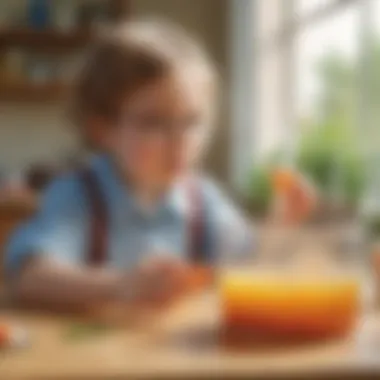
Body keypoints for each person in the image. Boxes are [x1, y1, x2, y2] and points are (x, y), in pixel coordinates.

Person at [4, 20, 314, 314]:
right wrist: (122, 285)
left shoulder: (203, 200)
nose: (180, 141)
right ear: (102, 129)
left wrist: (281, 223)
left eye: (192, 122)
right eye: (154, 123)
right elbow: (30, 279)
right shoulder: (76, 196)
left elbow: (248, 266)